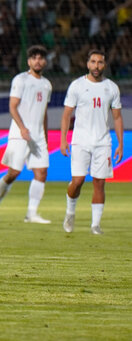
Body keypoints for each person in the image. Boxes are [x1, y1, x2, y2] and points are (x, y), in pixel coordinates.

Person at [60, 49, 123, 235]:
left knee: (99, 182)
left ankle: (95, 225)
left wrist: (120, 143)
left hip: (103, 142)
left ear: (104, 65)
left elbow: (117, 118)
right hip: (80, 141)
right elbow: (66, 115)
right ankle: (70, 211)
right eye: (93, 62)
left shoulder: (111, 87)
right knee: (77, 181)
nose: (96, 66)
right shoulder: (77, 86)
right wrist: (63, 140)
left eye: (100, 62)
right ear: (88, 64)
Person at [0, 45, 52, 224]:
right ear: (29, 61)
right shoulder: (21, 79)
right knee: (13, 173)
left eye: (41, 58)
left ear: (45, 61)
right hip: (19, 133)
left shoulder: (47, 84)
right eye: (34, 58)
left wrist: (44, 136)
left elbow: (44, 112)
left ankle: (31, 213)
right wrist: (23, 128)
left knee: (41, 172)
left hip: (38, 136)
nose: (37, 61)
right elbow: (12, 106)